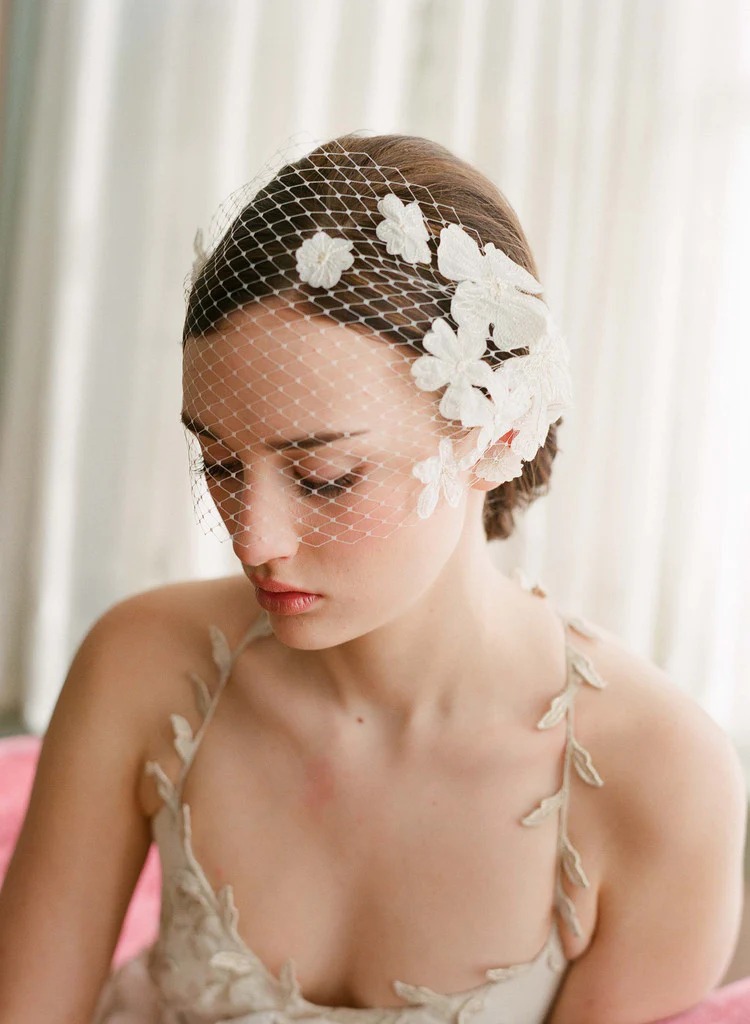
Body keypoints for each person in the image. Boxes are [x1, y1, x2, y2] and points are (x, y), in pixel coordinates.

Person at [0, 132, 745, 1024]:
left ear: (497, 437)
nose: (253, 536)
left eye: (325, 477)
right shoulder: (142, 664)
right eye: (220, 463)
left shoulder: (661, 775)